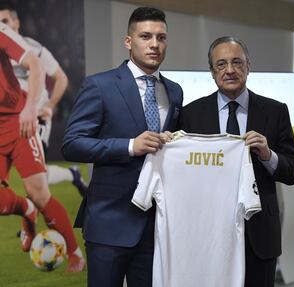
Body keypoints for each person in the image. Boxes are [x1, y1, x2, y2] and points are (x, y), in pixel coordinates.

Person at [62, 6, 183, 287]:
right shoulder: (100, 85)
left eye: (161, 37)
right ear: (129, 42)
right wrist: (130, 146)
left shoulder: (174, 91)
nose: (154, 44)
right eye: (146, 36)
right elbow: (72, 144)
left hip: (158, 226)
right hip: (110, 223)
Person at [178, 36, 294, 287]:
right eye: (221, 64)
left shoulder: (275, 111)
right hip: (208, 236)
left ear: (249, 66)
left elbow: (293, 172)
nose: (230, 70)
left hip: (259, 236)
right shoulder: (191, 114)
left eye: (237, 62)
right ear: (212, 72)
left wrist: (268, 155)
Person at [0, 21, 85, 272]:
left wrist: (30, 108)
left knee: (38, 192)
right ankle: (27, 211)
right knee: (24, 201)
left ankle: (74, 252)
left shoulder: (2, 34)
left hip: (20, 122)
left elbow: (34, 65)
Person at [0, 4, 87, 197]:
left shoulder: (35, 50)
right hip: (10, 119)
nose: (2, 25)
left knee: (35, 178)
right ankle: (71, 173)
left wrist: (49, 106)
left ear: (16, 22)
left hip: (35, 118)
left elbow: (61, 78)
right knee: (38, 176)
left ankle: (27, 227)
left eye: (5, 21)